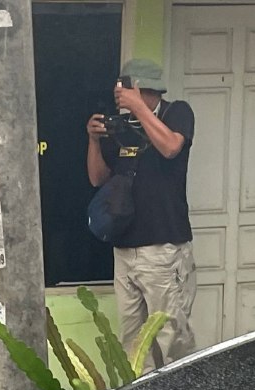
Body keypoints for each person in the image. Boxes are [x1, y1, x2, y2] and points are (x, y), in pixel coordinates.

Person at [85, 58, 197, 370]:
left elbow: (171, 147)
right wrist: (94, 140)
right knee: (132, 339)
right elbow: (97, 178)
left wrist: (138, 107)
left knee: (170, 335)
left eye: (124, 88)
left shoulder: (176, 112)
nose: (118, 94)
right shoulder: (124, 126)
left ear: (141, 88)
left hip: (163, 246)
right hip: (124, 248)